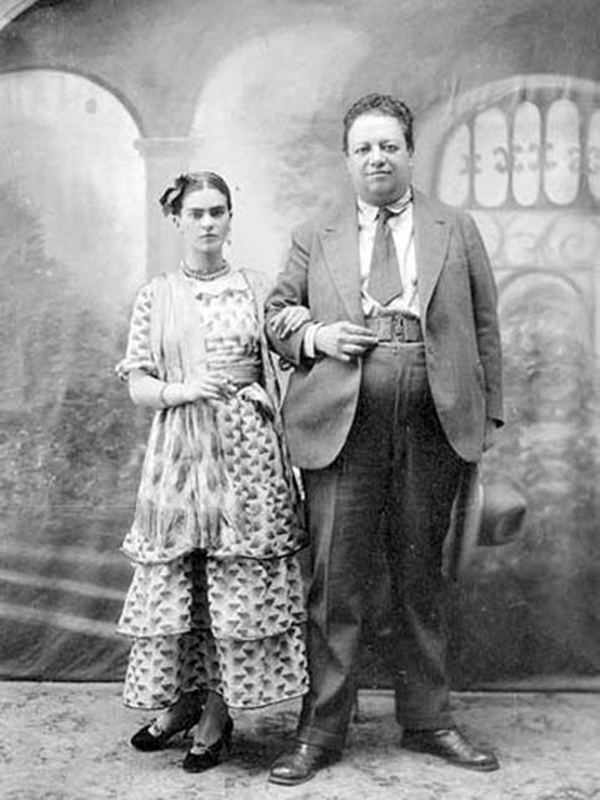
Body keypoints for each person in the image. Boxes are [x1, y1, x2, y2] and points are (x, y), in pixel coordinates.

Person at [265, 93, 504, 785]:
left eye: (389, 146)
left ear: (409, 153)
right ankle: (321, 731)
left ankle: (428, 721)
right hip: (343, 417)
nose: (377, 158)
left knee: (421, 576)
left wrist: (486, 420)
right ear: (347, 160)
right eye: (364, 148)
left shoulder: (455, 228)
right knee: (335, 580)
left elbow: (485, 327)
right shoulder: (315, 233)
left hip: (434, 414)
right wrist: (318, 335)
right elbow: (276, 315)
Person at [115, 171, 309, 773]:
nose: (207, 222)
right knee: (188, 579)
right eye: (196, 212)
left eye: (217, 211)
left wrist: (293, 352)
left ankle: (218, 715)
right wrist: (183, 389)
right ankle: (184, 702)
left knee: (232, 581)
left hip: (248, 453)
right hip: (180, 450)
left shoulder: (256, 287)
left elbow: (291, 351)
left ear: (230, 218)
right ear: (176, 220)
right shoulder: (157, 295)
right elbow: (139, 384)